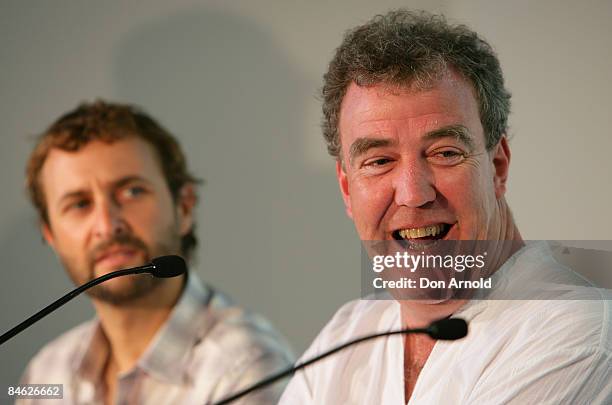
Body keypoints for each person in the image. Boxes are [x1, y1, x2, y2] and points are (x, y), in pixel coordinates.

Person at [280, 9, 611, 404]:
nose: (413, 193)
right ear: (347, 189)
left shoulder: (578, 331)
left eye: (444, 153)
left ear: (497, 167)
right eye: (379, 161)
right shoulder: (347, 335)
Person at [19, 101, 293, 404]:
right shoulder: (45, 375)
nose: (108, 226)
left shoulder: (246, 367)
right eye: (80, 204)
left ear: (184, 206)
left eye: (132, 191)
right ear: (50, 235)